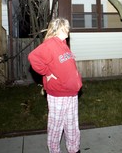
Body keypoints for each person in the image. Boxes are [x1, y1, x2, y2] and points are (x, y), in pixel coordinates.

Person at [28, 18, 82, 153]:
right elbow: (33, 57)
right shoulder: (50, 44)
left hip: (71, 93)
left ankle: (74, 149)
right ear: (57, 29)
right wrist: (46, 73)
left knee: (72, 125)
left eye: (68, 27)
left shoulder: (63, 44)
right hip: (58, 94)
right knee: (56, 126)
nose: (68, 30)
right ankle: (54, 150)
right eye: (65, 27)